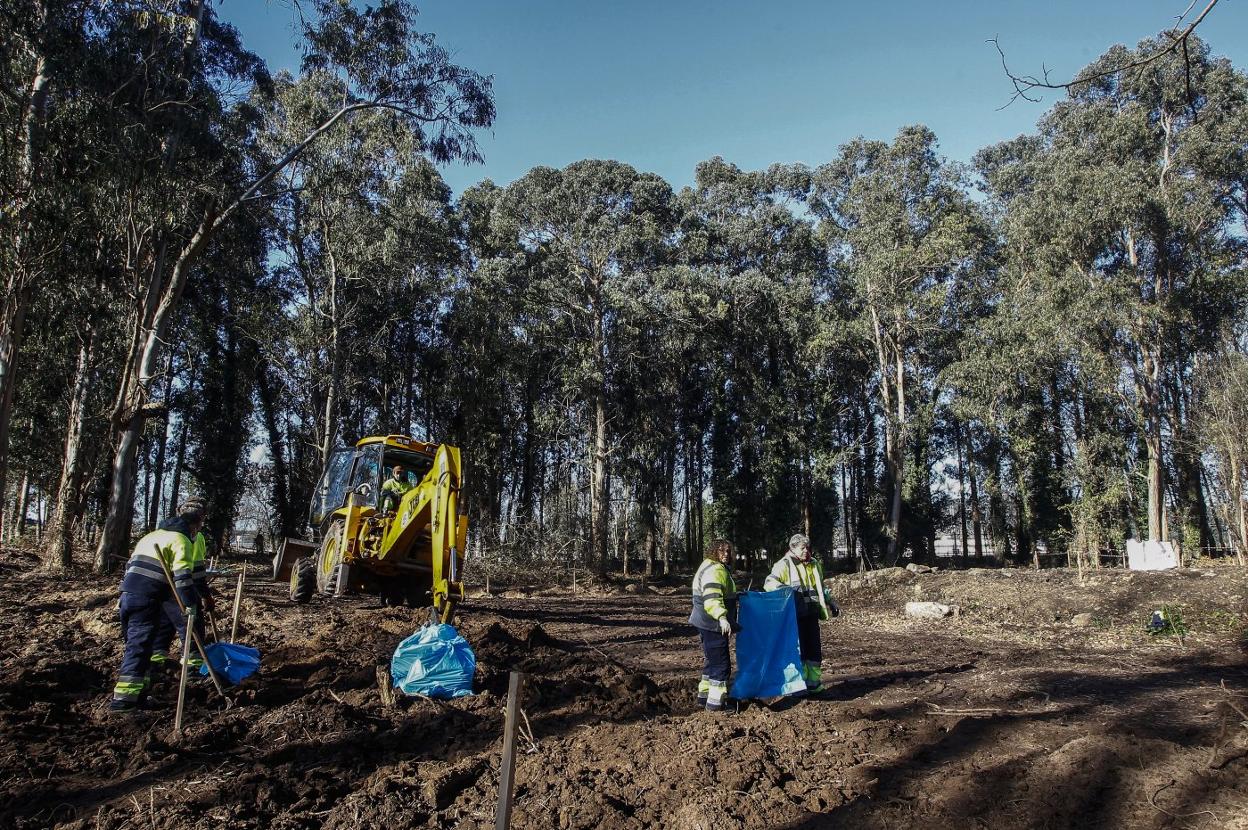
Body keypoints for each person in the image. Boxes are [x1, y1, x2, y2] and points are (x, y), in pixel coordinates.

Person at [109, 504, 205, 713]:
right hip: (148, 599)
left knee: (139, 648)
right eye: (197, 529)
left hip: (127, 596)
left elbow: (129, 569)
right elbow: (183, 580)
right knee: (140, 647)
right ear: (193, 527)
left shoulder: (150, 537)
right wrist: (190, 606)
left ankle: (139, 694)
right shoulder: (181, 540)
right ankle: (123, 702)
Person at [764, 533, 839, 694]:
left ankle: (813, 683)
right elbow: (769, 583)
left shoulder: (814, 564)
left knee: (813, 651)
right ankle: (795, 686)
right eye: (802, 548)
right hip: (794, 616)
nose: (806, 551)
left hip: (811, 613)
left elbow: (820, 587)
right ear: (793, 548)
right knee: (796, 650)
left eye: (807, 547)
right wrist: (785, 591)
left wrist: (830, 601)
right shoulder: (783, 564)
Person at [150, 498, 213, 669]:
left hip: (158, 587)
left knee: (165, 624)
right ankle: (193, 666)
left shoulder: (161, 532)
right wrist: (205, 596)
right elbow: (197, 574)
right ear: (200, 519)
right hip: (182, 585)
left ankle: (156, 662)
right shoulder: (194, 538)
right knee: (193, 624)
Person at [688, 539, 738, 712]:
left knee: (711, 659)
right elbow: (712, 598)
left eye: (728, 551)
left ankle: (704, 695)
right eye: (721, 551)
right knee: (721, 664)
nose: (725, 554)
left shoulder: (708, 565)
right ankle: (717, 704)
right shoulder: (716, 569)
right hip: (713, 623)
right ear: (713, 552)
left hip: (704, 622)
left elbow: (721, 592)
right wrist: (722, 617)